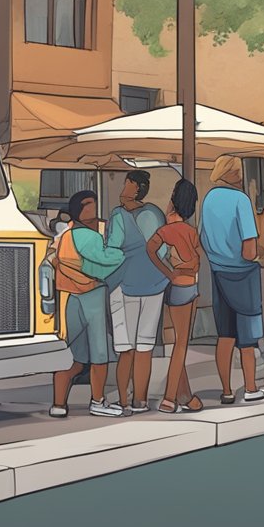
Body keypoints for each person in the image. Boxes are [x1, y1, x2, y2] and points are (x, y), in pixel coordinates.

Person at [200, 155, 264, 403]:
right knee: (247, 337)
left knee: (225, 335)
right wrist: (260, 257)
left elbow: (202, 236)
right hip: (244, 275)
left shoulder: (209, 199)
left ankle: (227, 391)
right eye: (238, 171)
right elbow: (249, 249)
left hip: (218, 272)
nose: (242, 175)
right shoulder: (240, 200)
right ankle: (251, 388)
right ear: (232, 173)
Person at [49, 190, 126, 418]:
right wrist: (118, 249)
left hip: (71, 297)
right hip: (92, 294)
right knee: (99, 353)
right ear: (83, 209)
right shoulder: (89, 237)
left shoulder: (65, 235)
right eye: (91, 203)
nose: (96, 206)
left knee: (73, 355)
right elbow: (108, 259)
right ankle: (98, 401)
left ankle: (59, 404)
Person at [105, 170, 169, 413]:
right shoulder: (154, 213)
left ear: (135, 188)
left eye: (127, 183)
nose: (123, 187)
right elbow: (162, 251)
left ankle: (123, 400)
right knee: (145, 346)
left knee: (125, 348)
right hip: (154, 284)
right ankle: (140, 400)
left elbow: (112, 250)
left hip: (125, 284)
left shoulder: (119, 216)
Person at [147, 179, 204, 414]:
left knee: (174, 343)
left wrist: (167, 272)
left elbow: (150, 249)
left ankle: (185, 396)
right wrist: (184, 267)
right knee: (181, 344)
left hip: (171, 287)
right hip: (188, 288)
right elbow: (198, 260)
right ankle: (170, 398)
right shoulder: (190, 232)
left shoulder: (164, 230)